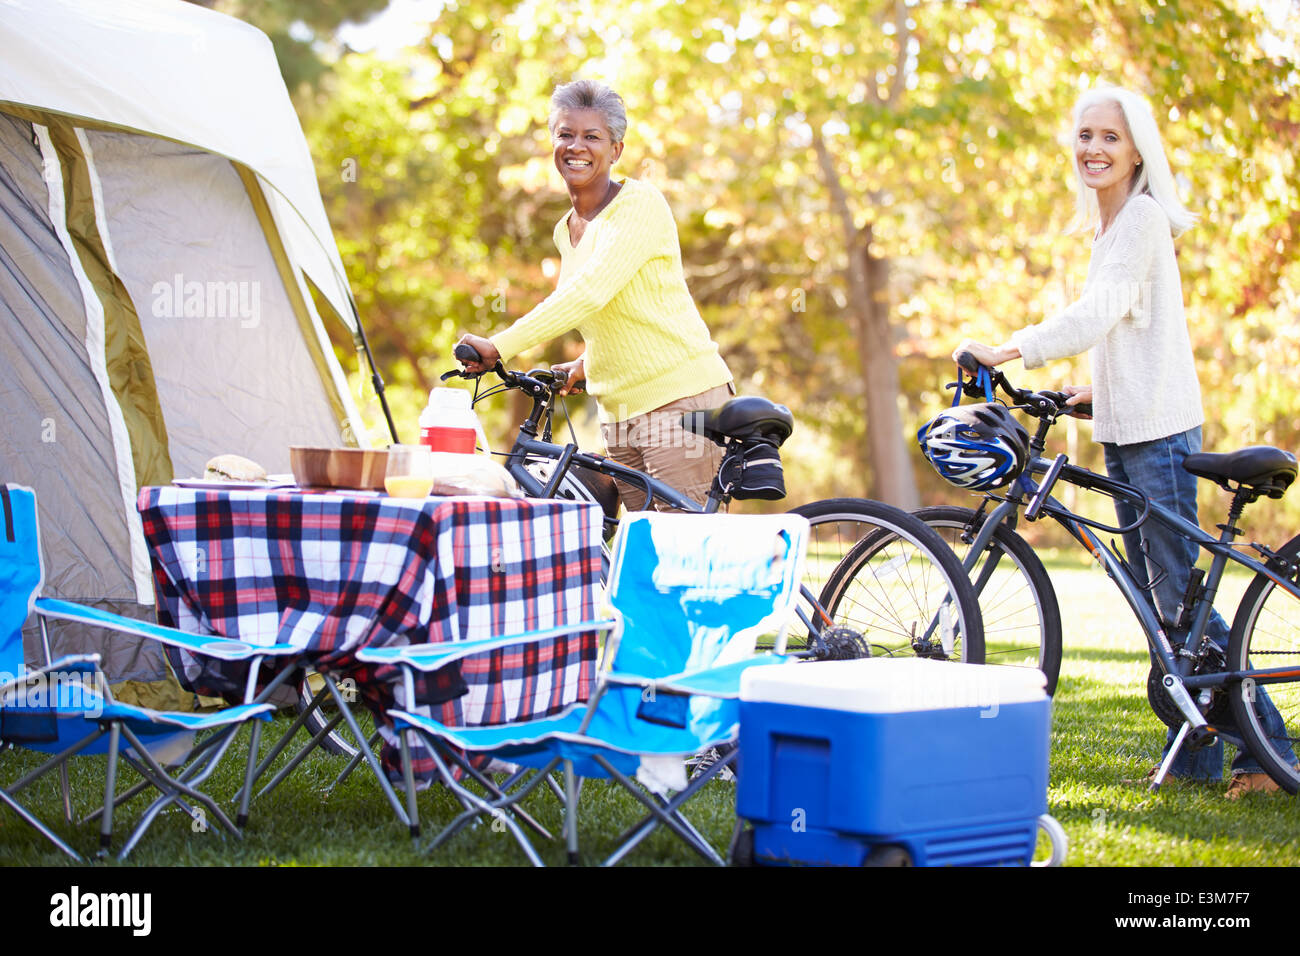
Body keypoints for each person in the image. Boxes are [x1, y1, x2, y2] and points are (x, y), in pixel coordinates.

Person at [953, 85, 1295, 797]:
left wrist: (1007, 350)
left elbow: (1099, 313)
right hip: (1132, 425)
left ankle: (1266, 754)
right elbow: (1135, 337)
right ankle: (1196, 752)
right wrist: (1093, 395)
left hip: (1159, 437)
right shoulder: (1113, 228)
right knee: (1162, 606)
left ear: (1138, 148)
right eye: (1084, 135)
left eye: (1109, 137)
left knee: (1178, 600)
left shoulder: (1139, 217)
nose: (1093, 149)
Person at [455, 79, 734, 510]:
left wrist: (499, 345)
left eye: (592, 136)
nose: (576, 146)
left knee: (686, 557)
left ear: (616, 150)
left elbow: (591, 293)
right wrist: (586, 366)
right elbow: (620, 311)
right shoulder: (565, 230)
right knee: (646, 560)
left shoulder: (640, 204)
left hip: (679, 404)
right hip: (619, 415)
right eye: (565, 134)